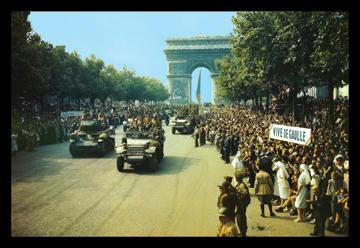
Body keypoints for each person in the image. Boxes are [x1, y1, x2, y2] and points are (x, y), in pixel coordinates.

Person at [234, 171, 250, 237]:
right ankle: (242, 232)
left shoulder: (242, 185)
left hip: (242, 204)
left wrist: (239, 196)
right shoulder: (240, 184)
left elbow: (245, 193)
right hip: (242, 203)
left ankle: (243, 233)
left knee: (240, 218)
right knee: (241, 218)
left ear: (237, 178)